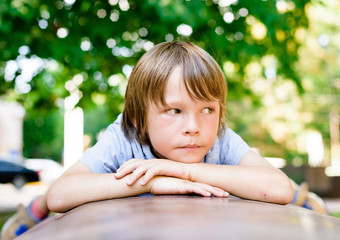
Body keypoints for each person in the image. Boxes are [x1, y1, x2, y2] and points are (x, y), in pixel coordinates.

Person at [2, 41, 296, 239]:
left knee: (294, 193)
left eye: (208, 108)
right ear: (139, 118)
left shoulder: (218, 136)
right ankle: (32, 209)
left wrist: (185, 171)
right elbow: (60, 195)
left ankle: (308, 199)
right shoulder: (123, 135)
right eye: (174, 110)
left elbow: (279, 189)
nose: (193, 126)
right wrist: (151, 180)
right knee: (45, 201)